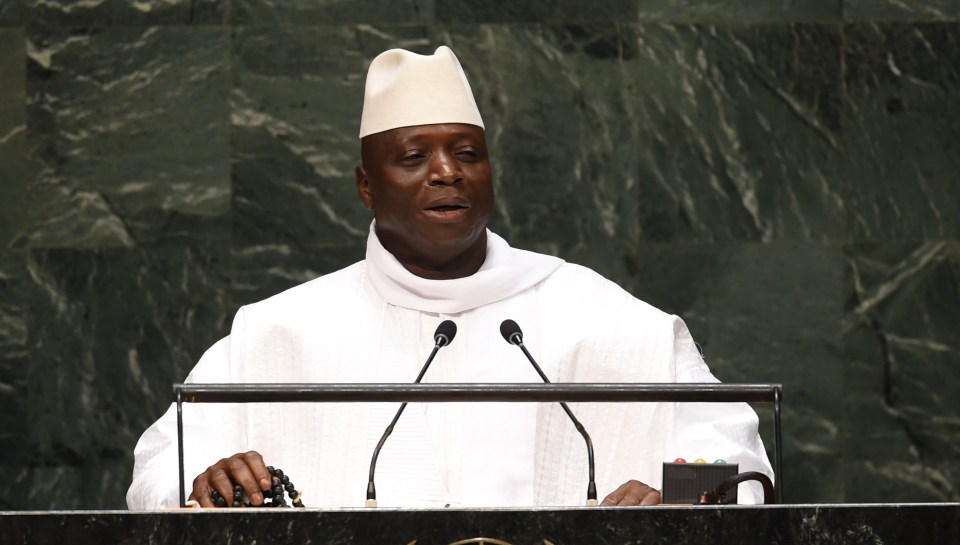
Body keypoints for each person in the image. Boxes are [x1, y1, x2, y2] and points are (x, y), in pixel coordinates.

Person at [127, 46, 772, 511]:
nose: (447, 172)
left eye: (467, 154)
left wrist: (676, 499)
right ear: (364, 186)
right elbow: (159, 463)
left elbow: (736, 456)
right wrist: (203, 480)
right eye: (414, 157)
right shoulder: (281, 330)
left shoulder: (600, 315)